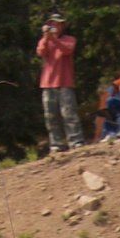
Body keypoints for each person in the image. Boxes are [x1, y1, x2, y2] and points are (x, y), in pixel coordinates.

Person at [36, 12, 81, 153]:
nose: (55, 26)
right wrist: (46, 37)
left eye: (57, 24)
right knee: (51, 116)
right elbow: (40, 52)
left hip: (65, 82)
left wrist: (54, 39)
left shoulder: (69, 39)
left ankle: (76, 141)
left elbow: (67, 50)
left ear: (63, 25)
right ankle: (56, 143)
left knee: (69, 114)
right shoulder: (45, 41)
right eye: (52, 24)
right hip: (48, 84)